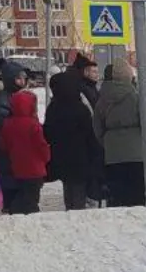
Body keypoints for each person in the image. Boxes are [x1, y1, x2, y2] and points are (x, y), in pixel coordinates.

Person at [44, 71, 104, 211]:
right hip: (80, 158)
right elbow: (90, 134)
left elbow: (48, 132)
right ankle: (77, 215)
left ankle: (69, 211)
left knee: (68, 187)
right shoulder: (80, 109)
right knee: (78, 191)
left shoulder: (53, 108)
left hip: (61, 157)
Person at [93, 58, 146, 207]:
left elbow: (97, 128)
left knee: (116, 198)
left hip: (112, 155)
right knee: (137, 198)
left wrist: (108, 144)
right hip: (137, 155)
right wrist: (144, 145)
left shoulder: (102, 100)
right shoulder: (137, 98)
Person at [0, 92, 50, 215]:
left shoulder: (8, 124)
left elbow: (4, 145)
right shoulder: (33, 124)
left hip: (17, 167)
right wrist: (46, 157)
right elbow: (41, 145)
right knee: (32, 200)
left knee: (21, 197)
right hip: (34, 169)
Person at [0, 61, 29, 212]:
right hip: (9, 152)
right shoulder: (4, 100)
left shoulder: (18, 96)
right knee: (11, 187)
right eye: (19, 78)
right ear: (10, 79)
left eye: (24, 78)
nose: (23, 82)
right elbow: (7, 128)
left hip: (19, 152)